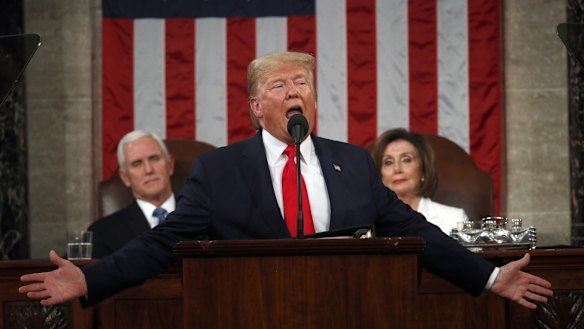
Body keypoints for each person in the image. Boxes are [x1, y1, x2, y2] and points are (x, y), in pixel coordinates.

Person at [19, 51, 552, 310]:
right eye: (280, 84)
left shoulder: (352, 163)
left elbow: (417, 233)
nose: (296, 89)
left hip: (350, 313)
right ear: (256, 106)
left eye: (303, 82)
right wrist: (92, 279)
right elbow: (162, 243)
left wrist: (488, 277)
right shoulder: (220, 170)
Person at [88, 130, 176, 258]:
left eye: (154, 159)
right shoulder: (103, 232)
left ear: (170, 165)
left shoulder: (202, 215)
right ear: (125, 177)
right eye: (137, 163)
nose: (148, 170)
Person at [370, 128, 467, 234]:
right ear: (379, 174)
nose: (397, 169)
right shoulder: (367, 221)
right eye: (388, 162)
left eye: (406, 160)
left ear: (423, 170)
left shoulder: (454, 218)